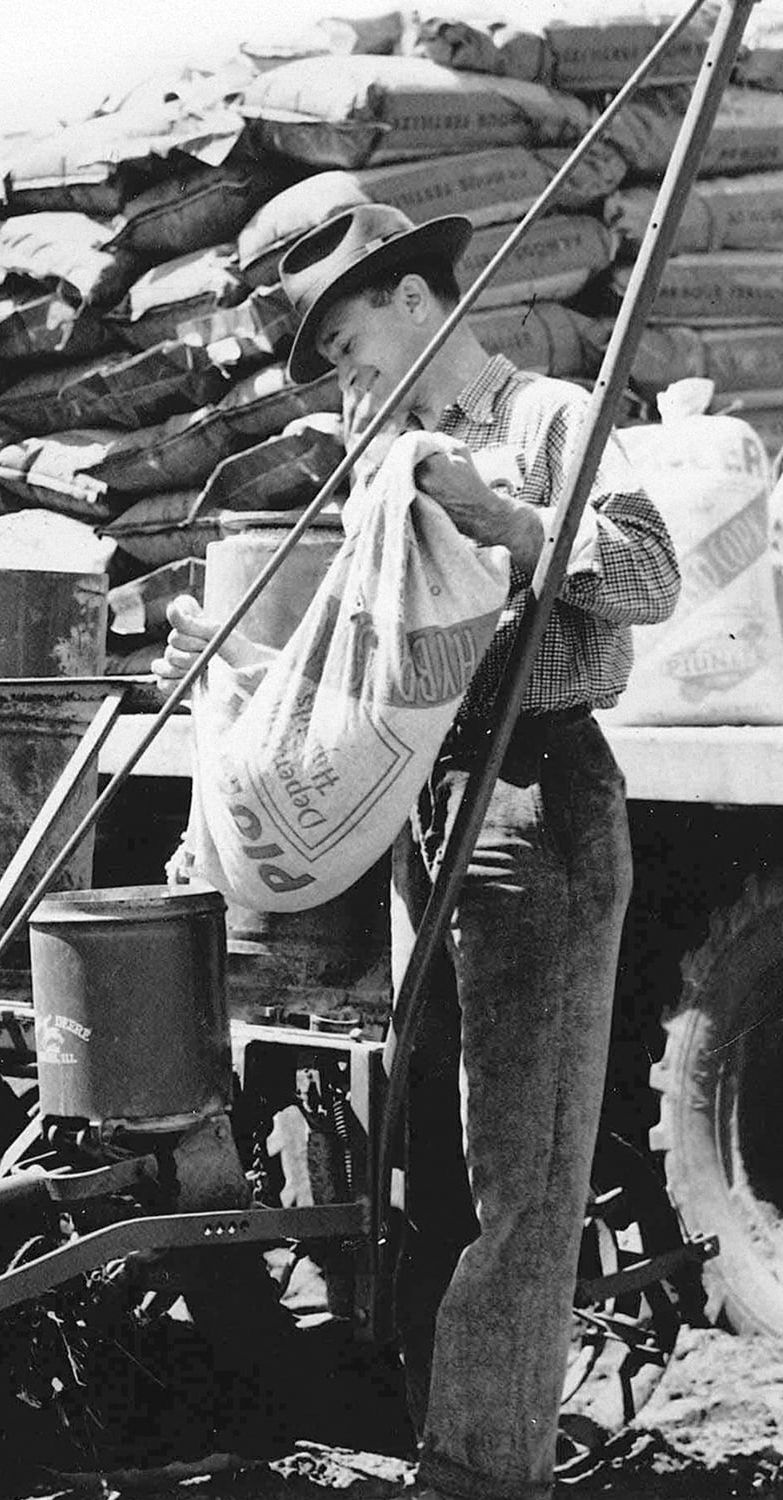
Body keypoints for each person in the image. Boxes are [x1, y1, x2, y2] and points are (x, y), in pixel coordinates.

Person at [155, 204, 679, 1499]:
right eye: (330, 360)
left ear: (412, 297)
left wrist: (499, 516)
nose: (350, 377)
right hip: (428, 811)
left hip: (538, 802)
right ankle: (420, 1430)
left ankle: (481, 1471)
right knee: (421, 1163)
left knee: (523, 1176)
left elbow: (653, 579)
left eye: (349, 345)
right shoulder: (387, 458)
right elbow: (370, 671)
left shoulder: (548, 418)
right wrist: (240, 675)